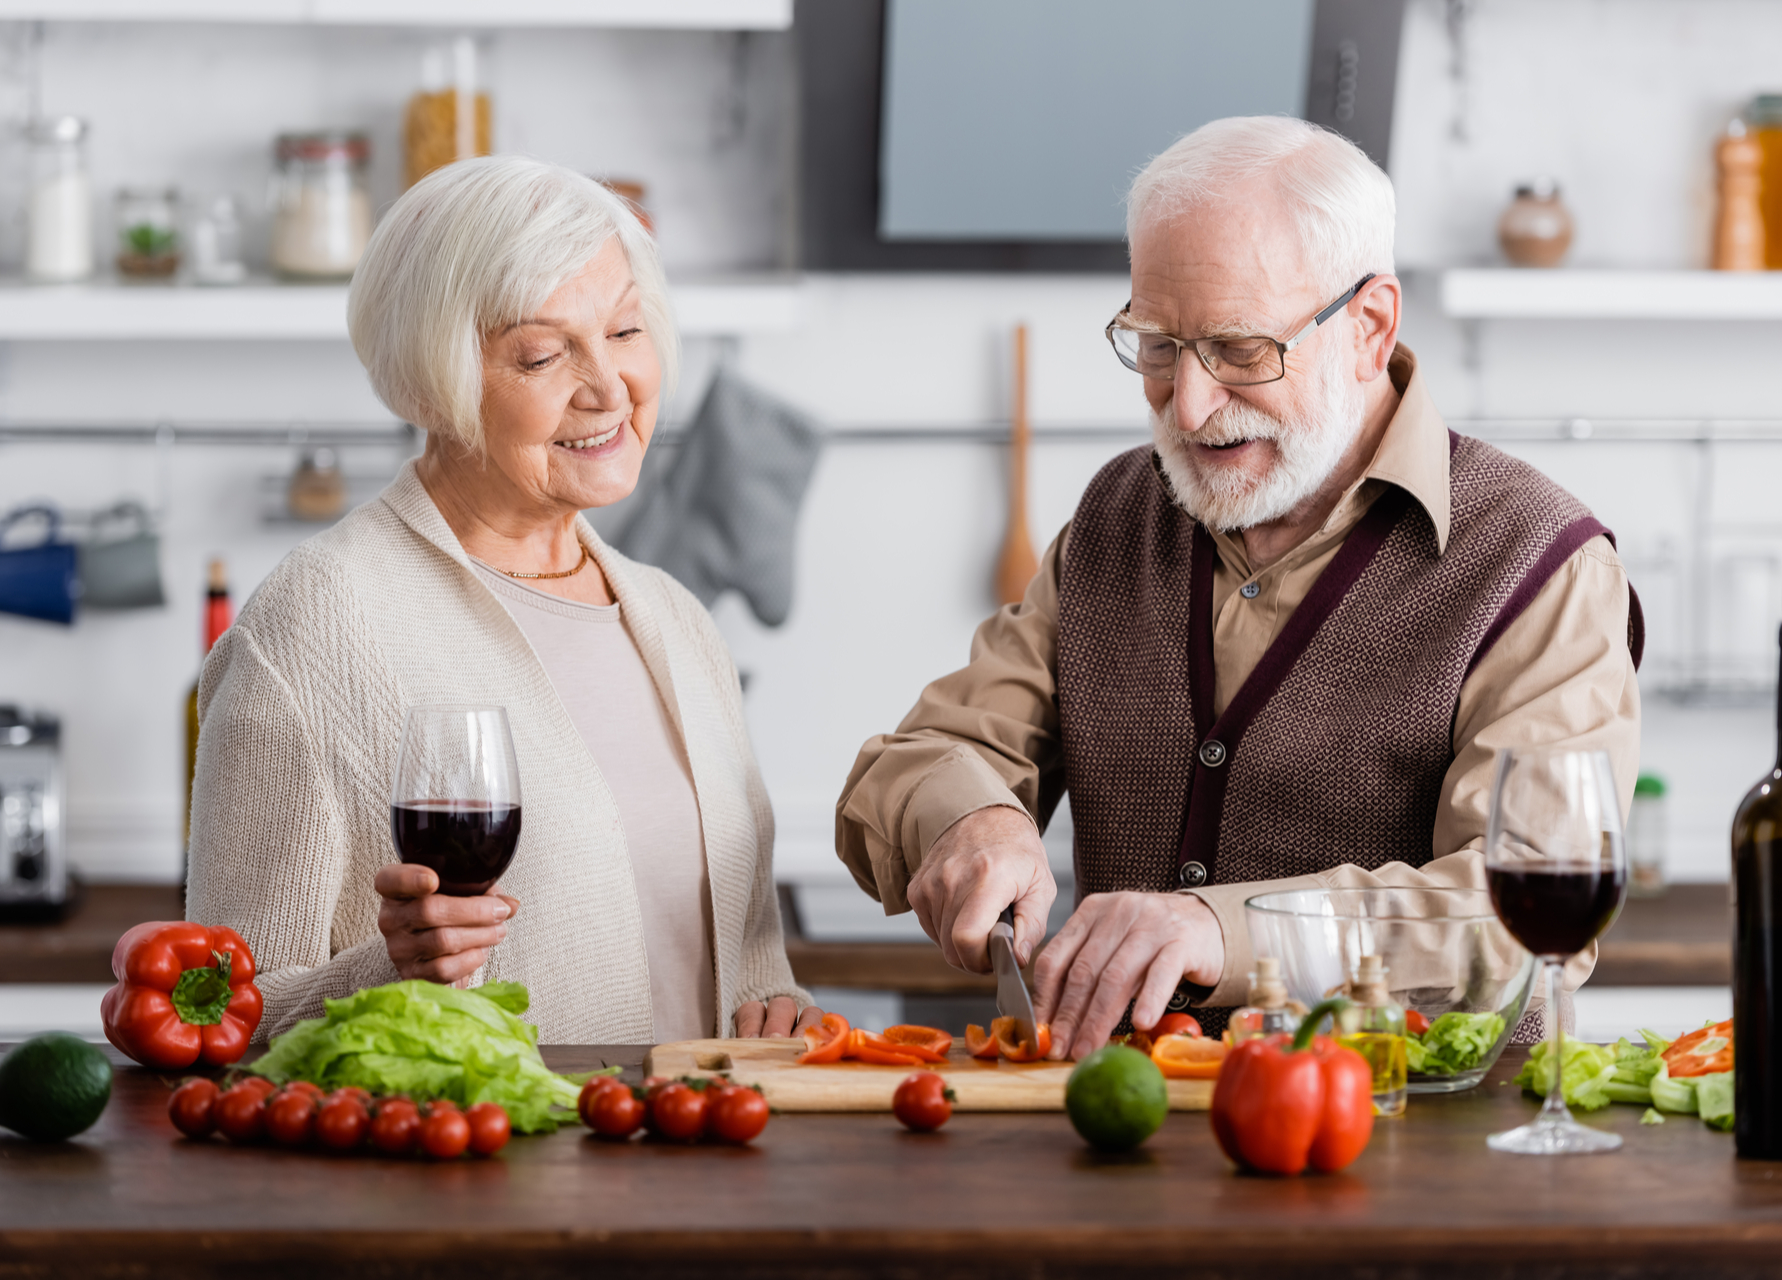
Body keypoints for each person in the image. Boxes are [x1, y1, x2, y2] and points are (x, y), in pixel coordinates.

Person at [835, 117, 1642, 1061]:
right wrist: (973, 816)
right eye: (1157, 345)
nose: (1187, 405)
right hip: (1133, 1137)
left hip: (1426, 1161)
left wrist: (1229, 932)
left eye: (1240, 350)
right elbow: (930, 750)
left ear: (1370, 327)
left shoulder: (1536, 559)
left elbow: (1523, 906)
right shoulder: (1117, 517)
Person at [187, 156, 820, 1045]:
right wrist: (394, 972)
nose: (608, 388)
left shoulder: (675, 620)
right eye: (542, 352)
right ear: (432, 381)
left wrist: (776, 1015)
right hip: (476, 1175)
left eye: (626, 330)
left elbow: (749, 966)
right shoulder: (315, 626)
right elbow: (220, 1016)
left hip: (700, 1171)